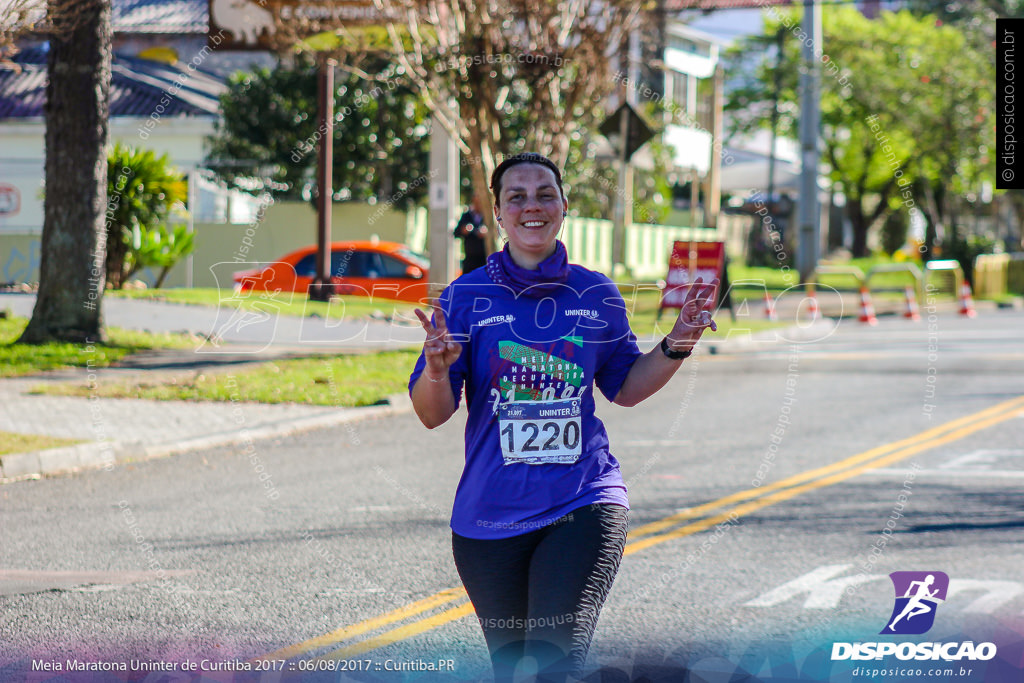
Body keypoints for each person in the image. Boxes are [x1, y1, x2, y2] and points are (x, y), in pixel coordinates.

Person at [408, 152, 717, 682]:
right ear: (498, 214)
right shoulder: (466, 296)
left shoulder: (594, 293)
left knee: (553, 663)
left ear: (564, 207)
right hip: (488, 517)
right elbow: (433, 415)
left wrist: (679, 341)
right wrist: (437, 368)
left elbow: (624, 387)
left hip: (583, 501)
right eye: (516, 197)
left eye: (544, 194)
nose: (532, 206)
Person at [454, 197, 489, 273]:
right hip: (470, 259)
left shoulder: (488, 216)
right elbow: (456, 233)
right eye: (476, 202)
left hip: (484, 258)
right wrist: (463, 230)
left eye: (480, 203)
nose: (478, 205)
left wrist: (486, 233)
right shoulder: (466, 216)